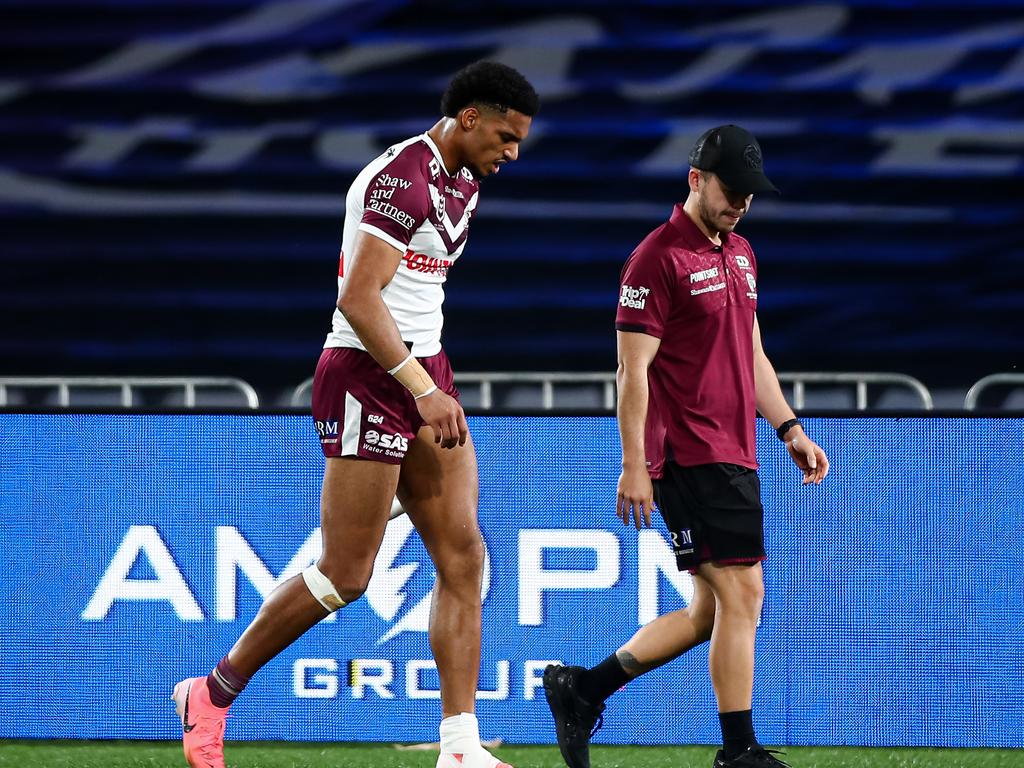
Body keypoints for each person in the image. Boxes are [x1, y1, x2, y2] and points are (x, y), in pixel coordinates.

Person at [172, 60, 539, 768]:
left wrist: (432, 382)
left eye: (518, 140)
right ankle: (212, 693)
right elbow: (360, 299)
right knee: (346, 574)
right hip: (367, 377)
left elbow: (415, 296)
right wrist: (421, 391)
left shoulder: (465, 180)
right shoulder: (402, 178)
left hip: (424, 372)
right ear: (468, 118)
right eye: (504, 134)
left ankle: (460, 748)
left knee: (464, 557)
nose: (511, 152)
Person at [543, 125, 829, 768]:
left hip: (737, 448)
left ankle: (582, 689)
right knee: (744, 596)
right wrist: (634, 464)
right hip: (690, 454)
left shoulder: (743, 253)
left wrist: (789, 428)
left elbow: (751, 352)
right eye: (733, 189)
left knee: (709, 610)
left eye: (752, 194)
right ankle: (738, 751)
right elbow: (631, 371)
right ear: (696, 179)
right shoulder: (656, 258)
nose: (743, 203)